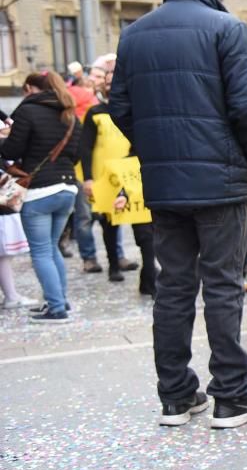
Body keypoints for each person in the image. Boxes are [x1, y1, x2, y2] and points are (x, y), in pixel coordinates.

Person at [110, 0, 247, 428]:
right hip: (223, 180)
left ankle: (176, 395)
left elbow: (120, 107)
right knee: (223, 285)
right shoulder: (228, 29)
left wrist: (157, 149)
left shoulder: (134, 34)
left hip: (166, 184)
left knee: (174, 286)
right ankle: (231, 393)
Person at [0, 72, 81, 323]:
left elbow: (12, 150)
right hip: (68, 188)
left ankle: (56, 308)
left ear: (29, 88)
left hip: (40, 191)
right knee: (52, 247)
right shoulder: (70, 115)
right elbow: (77, 154)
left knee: (42, 251)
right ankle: (60, 300)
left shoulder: (27, 111)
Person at [80, 62, 156, 294]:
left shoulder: (138, 111)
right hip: (107, 178)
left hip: (134, 176)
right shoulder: (95, 113)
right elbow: (86, 148)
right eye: (108, 83)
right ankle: (114, 264)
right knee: (109, 223)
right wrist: (89, 179)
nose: (111, 87)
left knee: (145, 229)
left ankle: (149, 275)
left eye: (116, 83)